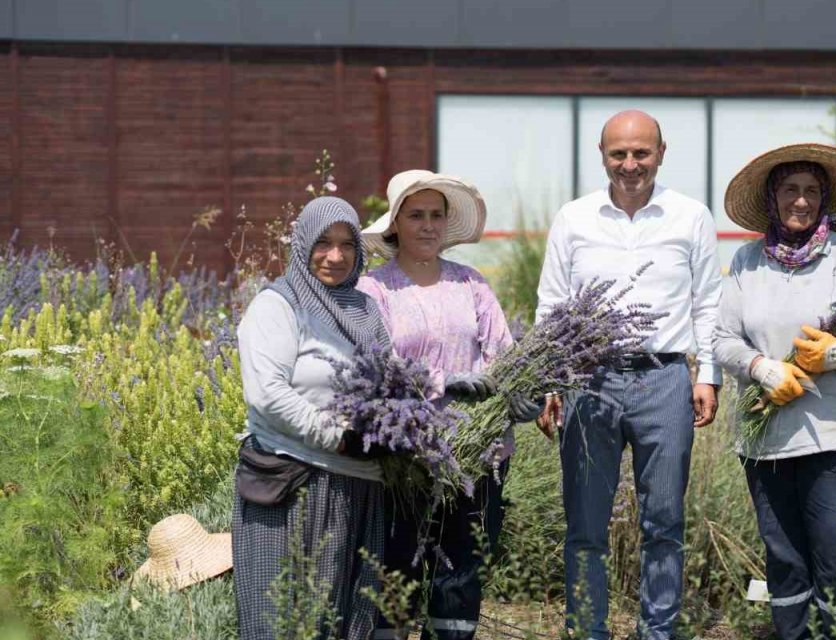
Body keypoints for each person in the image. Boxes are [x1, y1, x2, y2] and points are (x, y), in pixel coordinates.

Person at [534, 109, 722, 640]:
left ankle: (657, 631)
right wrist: (551, 379)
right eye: (619, 153)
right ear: (602, 155)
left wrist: (706, 375)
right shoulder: (574, 218)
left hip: (664, 381)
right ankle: (587, 630)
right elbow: (552, 306)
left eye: (641, 153)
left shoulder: (690, 217)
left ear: (661, 154)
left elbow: (708, 302)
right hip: (588, 383)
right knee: (585, 528)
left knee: (664, 523)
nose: (630, 164)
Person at [714, 143, 836, 639]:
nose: (801, 201)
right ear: (772, 196)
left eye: (812, 191)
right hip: (766, 441)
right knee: (785, 566)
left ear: (825, 198)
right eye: (790, 189)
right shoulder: (747, 261)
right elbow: (723, 339)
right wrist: (761, 367)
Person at [358, 170, 540, 640]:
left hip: (476, 459)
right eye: (416, 215)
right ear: (395, 223)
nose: (427, 225)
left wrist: (519, 395)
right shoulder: (375, 290)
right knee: (396, 576)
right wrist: (443, 383)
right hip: (405, 459)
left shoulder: (471, 284)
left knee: (460, 577)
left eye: (436, 215)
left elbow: (503, 352)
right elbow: (377, 367)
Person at [233, 196, 391, 640]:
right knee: (281, 618)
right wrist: (340, 437)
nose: (336, 256)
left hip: (358, 486)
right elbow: (268, 395)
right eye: (323, 243)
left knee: (341, 621)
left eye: (347, 245)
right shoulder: (277, 306)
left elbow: (389, 383)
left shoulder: (365, 311)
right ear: (302, 244)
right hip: (289, 484)